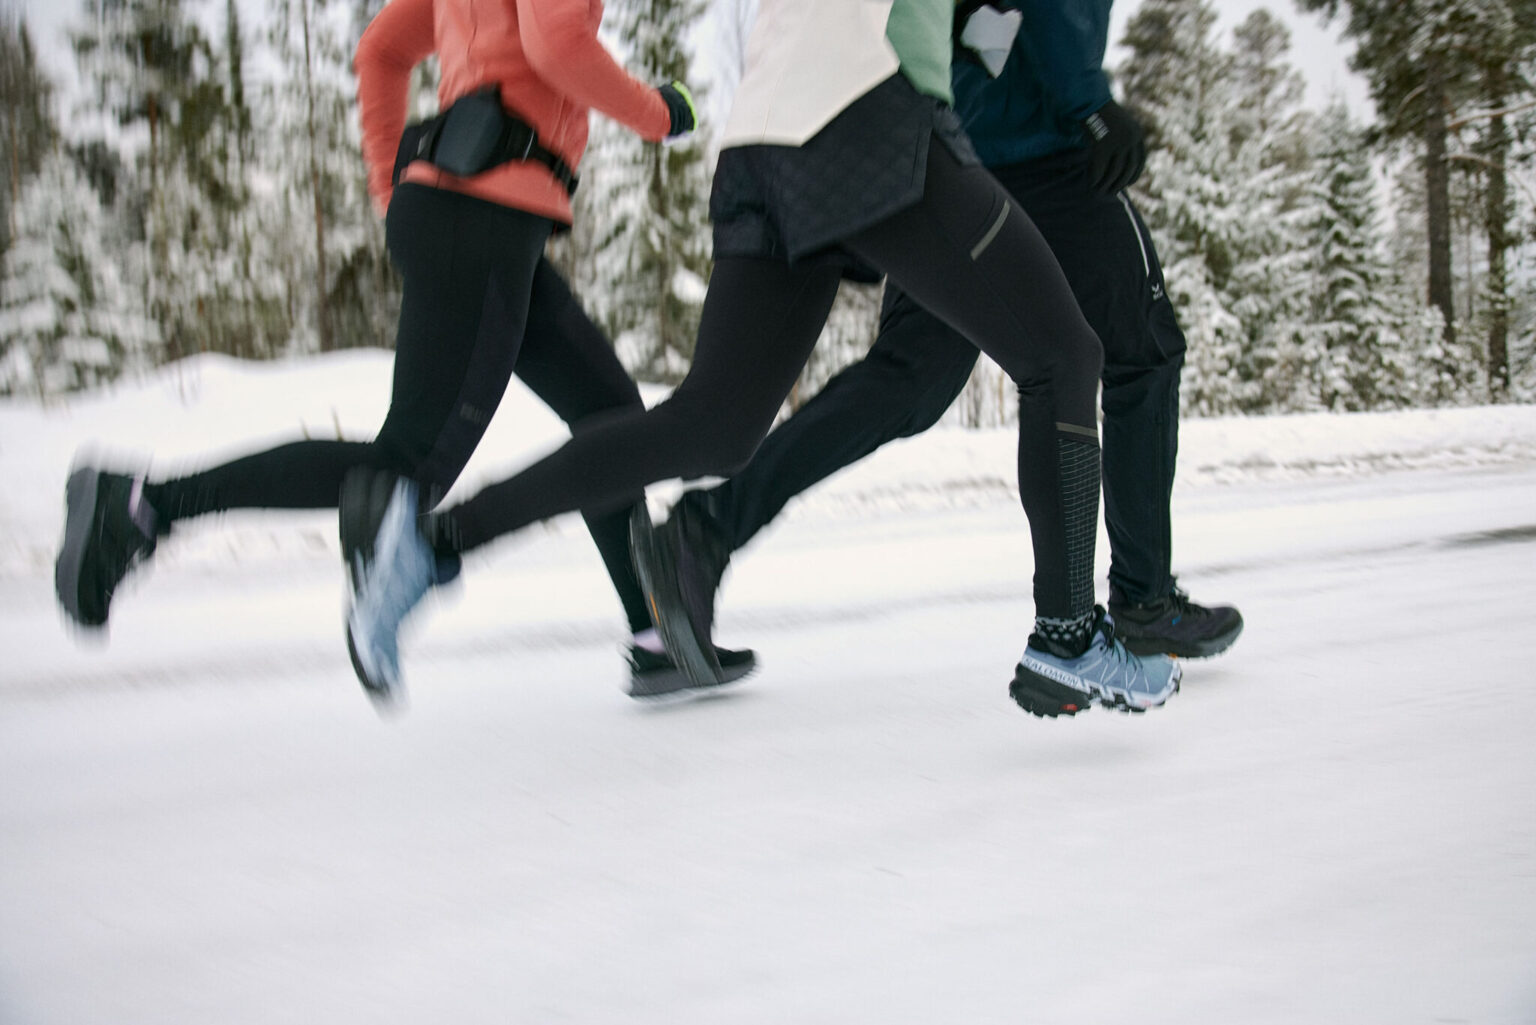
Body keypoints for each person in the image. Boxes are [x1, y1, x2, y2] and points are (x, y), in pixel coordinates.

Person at [340, 0, 1182, 717]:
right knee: (1065, 354)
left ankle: (432, 542)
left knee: (712, 424)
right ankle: (1069, 636)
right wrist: (1082, 96)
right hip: (872, 110)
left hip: (760, 145)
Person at [51, 0, 740, 699]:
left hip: (480, 215)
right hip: (483, 218)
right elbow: (557, 43)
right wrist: (659, 112)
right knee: (409, 468)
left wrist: (390, 184)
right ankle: (143, 504)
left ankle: (655, 635)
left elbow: (381, 48)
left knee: (608, 415)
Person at [651, 0, 1243, 702]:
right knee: (1138, 350)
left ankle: (708, 529)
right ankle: (1133, 603)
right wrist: (1088, 102)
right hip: (1041, 149)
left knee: (911, 377)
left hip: (947, 151)